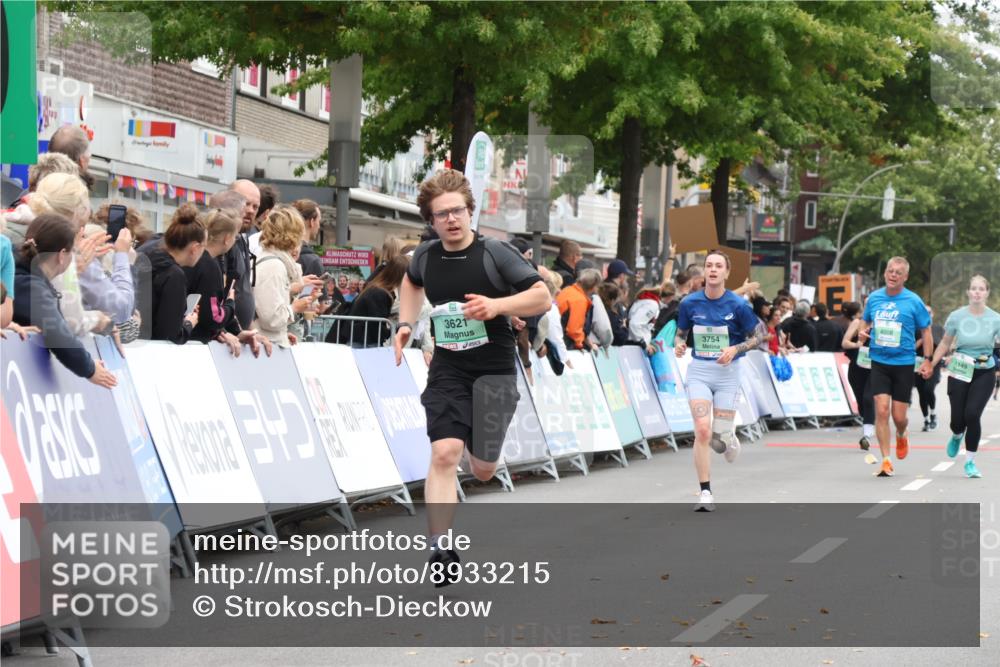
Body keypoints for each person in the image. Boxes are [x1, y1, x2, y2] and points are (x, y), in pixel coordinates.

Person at [393, 169, 549, 586]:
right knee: (444, 453)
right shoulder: (425, 256)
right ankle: (440, 547)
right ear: (431, 220)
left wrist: (497, 306)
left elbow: (542, 297)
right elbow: (411, 283)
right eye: (442, 214)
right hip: (449, 367)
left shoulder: (495, 253)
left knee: (482, 470)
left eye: (457, 211)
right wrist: (405, 324)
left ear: (469, 210)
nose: (451, 219)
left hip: (494, 371)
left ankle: (472, 448)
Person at [674, 249, 760, 512]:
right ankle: (705, 492)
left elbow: (758, 337)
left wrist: (735, 349)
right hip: (699, 372)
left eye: (718, 266)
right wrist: (679, 344)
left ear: (726, 272)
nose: (712, 269)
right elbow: (681, 333)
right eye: (709, 265)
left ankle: (728, 437)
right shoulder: (689, 303)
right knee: (702, 429)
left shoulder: (738, 305)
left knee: (719, 439)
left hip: (728, 375)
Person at [12, 213, 116, 387]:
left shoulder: (26, 276)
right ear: (62, 255)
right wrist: (90, 368)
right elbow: (58, 332)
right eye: (73, 252)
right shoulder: (31, 286)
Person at [861, 257, 933, 477]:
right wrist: (863, 332)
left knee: (898, 417)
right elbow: (865, 321)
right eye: (890, 271)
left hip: (903, 363)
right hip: (879, 361)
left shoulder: (913, 301)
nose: (893, 275)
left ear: (905, 277)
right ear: (885, 273)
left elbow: (926, 331)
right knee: (881, 410)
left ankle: (902, 433)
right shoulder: (874, 298)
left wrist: (928, 359)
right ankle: (886, 460)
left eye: (898, 272)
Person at [928, 275, 1000, 478]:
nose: (977, 292)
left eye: (981, 289)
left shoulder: (996, 318)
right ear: (968, 292)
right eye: (973, 288)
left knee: (972, 415)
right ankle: (957, 434)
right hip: (960, 369)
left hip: (984, 371)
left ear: (987, 293)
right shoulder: (957, 316)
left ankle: (970, 461)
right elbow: (945, 343)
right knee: (957, 420)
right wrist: (931, 364)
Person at [253, 205, 318, 347]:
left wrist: (283, 334)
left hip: (269, 344)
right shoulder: (274, 266)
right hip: (267, 348)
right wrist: (294, 308)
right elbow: (271, 318)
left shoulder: (273, 262)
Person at [139, 204, 205, 343]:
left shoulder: (147, 257)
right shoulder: (174, 275)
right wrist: (189, 324)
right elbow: (170, 335)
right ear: (195, 248)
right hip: (150, 351)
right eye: (203, 247)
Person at [332, 255, 408, 347]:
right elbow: (376, 324)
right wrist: (393, 330)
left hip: (361, 339)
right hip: (364, 342)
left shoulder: (375, 288)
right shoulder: (379, 292)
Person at [226, 179, 261, 330]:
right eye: (246, 203)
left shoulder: (241, 240)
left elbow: (244, 292)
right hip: (225, 336)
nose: (251, 210)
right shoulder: (221, 243)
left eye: (255, 206)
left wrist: (254, 333)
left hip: (240, 335)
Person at [841, 301, 876, 450]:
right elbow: (844, 343)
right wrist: (857, 345)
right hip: (857, 367)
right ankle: (868, 422)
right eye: (868, 304)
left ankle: (867, 435)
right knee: (861, 401)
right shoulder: (857, 322)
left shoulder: (883, 324)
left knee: (869, 398)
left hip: (875, 368)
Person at [913, 305, 945, 431]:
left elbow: (944, 345)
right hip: (918, 363)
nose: (927, 314)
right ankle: (926, 419)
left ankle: (933, 414)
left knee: (928, 389)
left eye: (929, 312)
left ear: (932, 314)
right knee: (921, 392)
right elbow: (910, 348)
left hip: (933, 364)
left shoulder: (938, 328)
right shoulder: (915, 329)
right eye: (924, 312)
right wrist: (922, 340)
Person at [557, 267, 601, 350]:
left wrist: (588, 342)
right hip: (564, 344)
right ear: (593, 286)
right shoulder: (579, 300)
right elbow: (574, 330)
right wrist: (580, 345)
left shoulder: (568, 290)